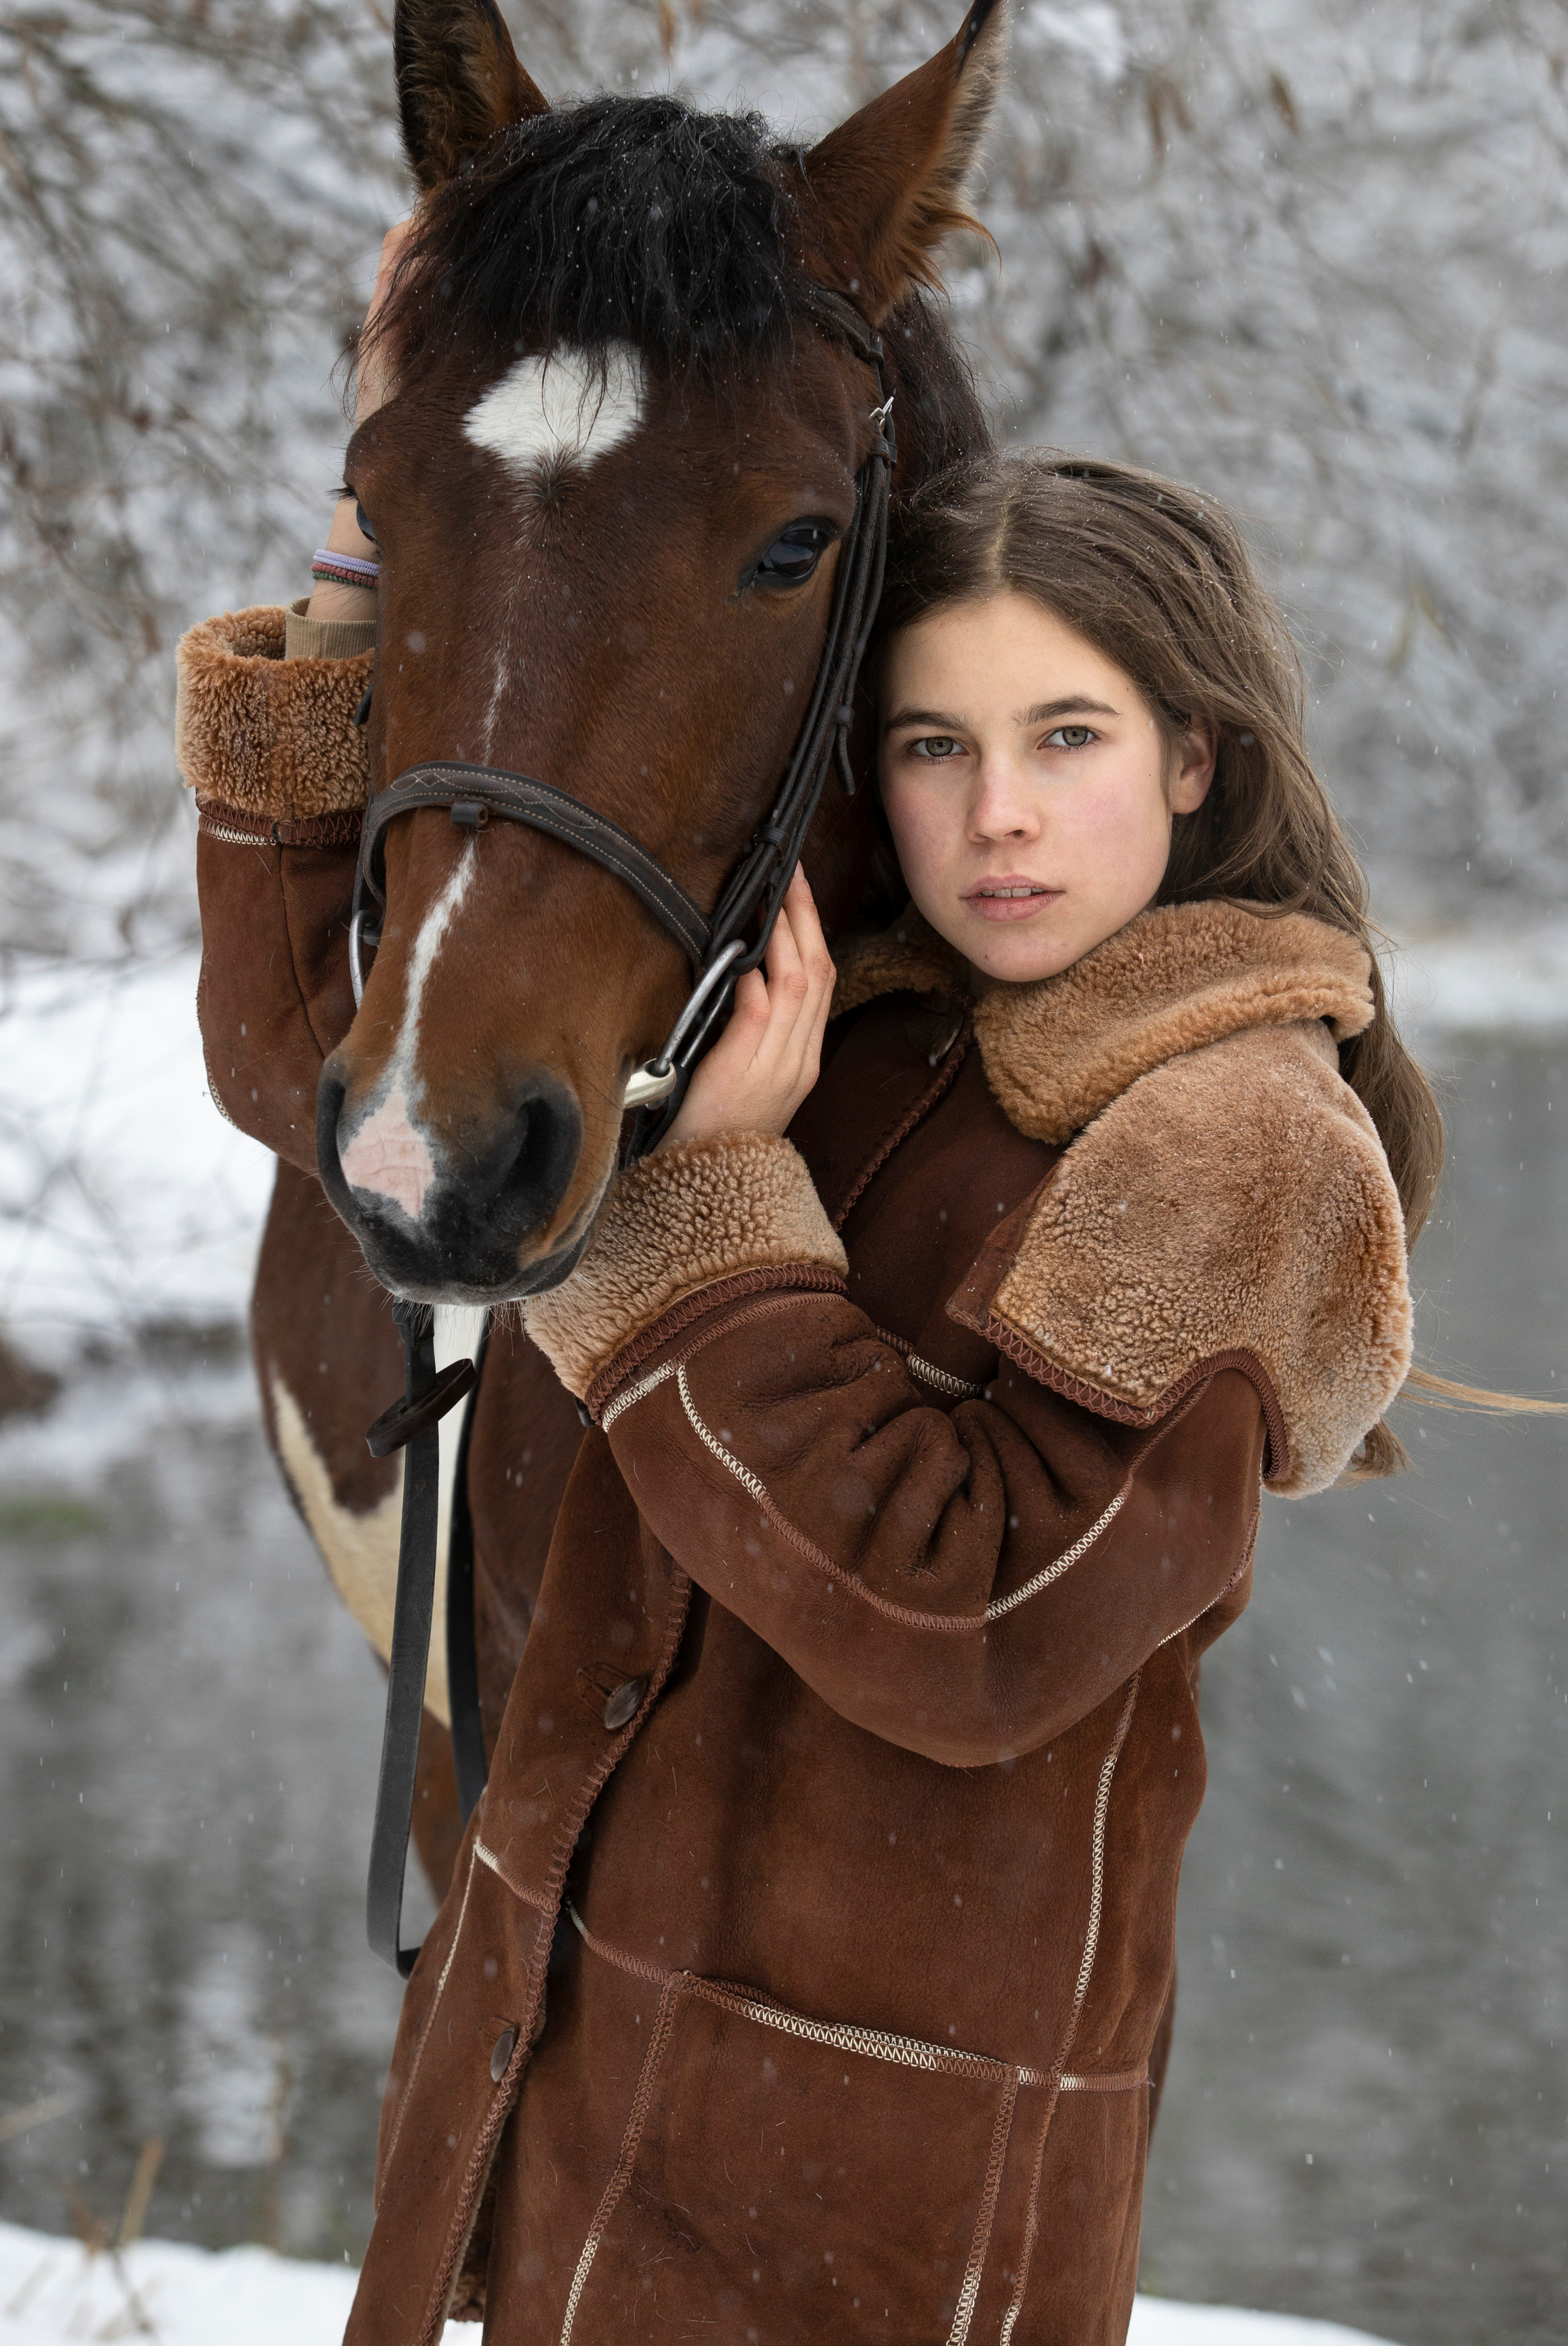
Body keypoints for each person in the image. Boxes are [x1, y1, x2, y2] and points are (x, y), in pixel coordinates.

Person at [319, 445, 1450, 2346]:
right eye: (932, 747)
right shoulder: (834, 1025)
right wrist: (366, 541)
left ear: (1197, 754)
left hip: (854, 2208)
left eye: (1066, 737)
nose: (998, 816)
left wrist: (705, 1225)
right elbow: (333, 1056)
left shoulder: (1236, 1136)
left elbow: (976, 1615)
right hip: (567, 2075)